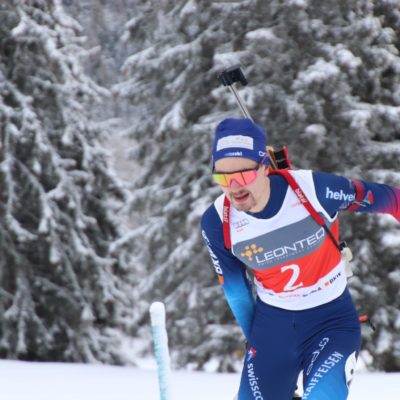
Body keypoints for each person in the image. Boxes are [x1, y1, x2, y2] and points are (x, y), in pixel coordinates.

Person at [200, 118, 400, 400]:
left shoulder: (314, 190)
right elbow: (237, 293)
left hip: (332, 322)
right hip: (273, 331)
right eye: (222, 178)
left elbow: (391, 199)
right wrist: (257, 344)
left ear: (264, 167)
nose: (234, 187)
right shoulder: (218, 221)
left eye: (243, 175)